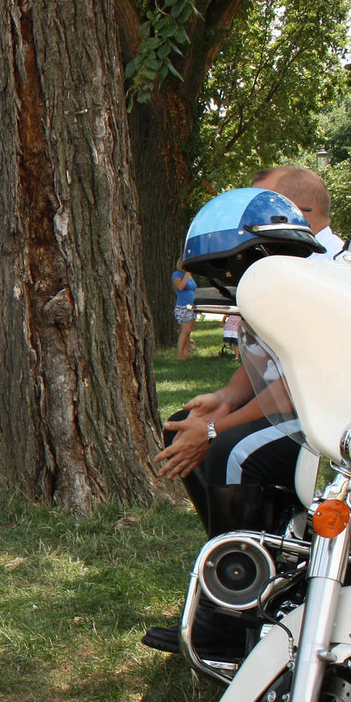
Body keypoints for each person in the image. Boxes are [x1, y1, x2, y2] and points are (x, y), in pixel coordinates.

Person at [144, 181, 326, 657]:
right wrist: (220, 400)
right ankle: (232, 577)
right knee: (182, 423)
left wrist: (215, 429)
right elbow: (262, 362)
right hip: (300, 412)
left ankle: (229, 621)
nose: (229, 277)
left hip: (327, 421)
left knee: (232, 453)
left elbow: (295, 386)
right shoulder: (276, 283)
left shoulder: (321, 281)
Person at [172, 263, 196, 359]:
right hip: (183, 306)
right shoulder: (177, 274)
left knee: (189, 332)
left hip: (191, 306)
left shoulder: (190, 276)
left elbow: (193, 288)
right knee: (185, 331)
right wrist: (186, 275)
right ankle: (180, 354)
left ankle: (187, 352)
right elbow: (180, 287)